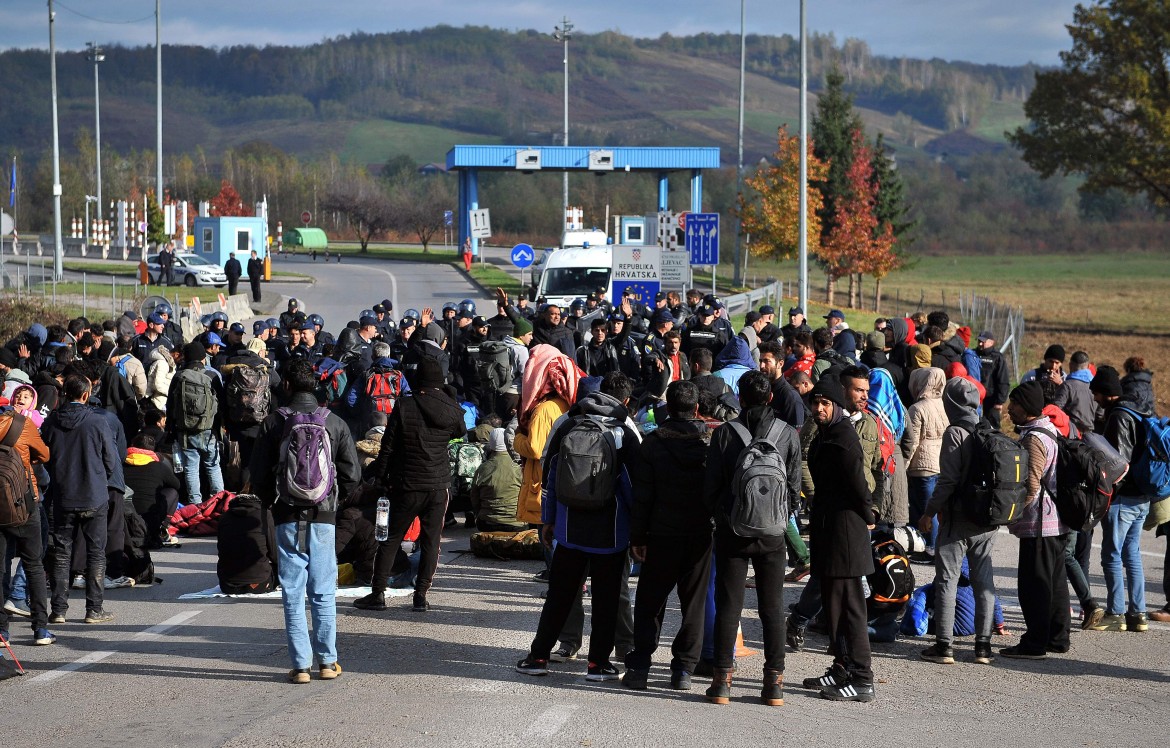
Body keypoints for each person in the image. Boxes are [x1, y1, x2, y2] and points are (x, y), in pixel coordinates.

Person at [515, 372, 639, 681]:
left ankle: (538, 657)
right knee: (607, 599)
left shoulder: (568, 424)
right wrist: (638, 531)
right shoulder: (623, 433)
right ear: (623, 402)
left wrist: (548, 519)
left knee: (560, 595)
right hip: (611, 534)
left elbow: (550, 476)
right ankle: (598, 664)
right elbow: (632, 488)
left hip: (568, 531)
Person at [249, 358, 360, 684]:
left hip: (287, 515)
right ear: (316, 387)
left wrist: (273, 502)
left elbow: (257, 476)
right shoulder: (335, 422)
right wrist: (333, 503)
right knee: (324, 591)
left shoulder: (273, 423)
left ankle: (300, 666)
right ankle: (328, 662)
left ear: (286, 387)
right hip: (324, 515)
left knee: (293, 592)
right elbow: (353, 475)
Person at [702, 370, 800, 706]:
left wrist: (723, 515)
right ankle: (774, 683)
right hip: (773, 533)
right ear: (771, 397)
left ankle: (722, 682)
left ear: (740, 399)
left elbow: (711, 486)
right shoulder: (787, 433)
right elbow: (795, 489)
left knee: (730, 606)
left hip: (733, 530)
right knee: (772, 609)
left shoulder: (726, 433)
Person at [623, 381, 714, 692]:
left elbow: (642, 497)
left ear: (668, 408)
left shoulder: (652, 444)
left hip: (661, 533)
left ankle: (639, 667)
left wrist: (638, 537)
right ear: (696, 408)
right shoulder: (710, 443)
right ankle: (683, 669)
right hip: (700, 534)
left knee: (650, 602)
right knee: (694, 603)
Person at [356, 357, 466, 613]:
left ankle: (378, 593)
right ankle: (421, 595)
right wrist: (449, 397)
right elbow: (459, 431)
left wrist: (380, 479)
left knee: (391, 539)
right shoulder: (449, 407)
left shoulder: (404, 406)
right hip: (438, 486)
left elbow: (389, 448)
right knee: (431, 542)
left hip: (407, 484)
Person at [802, 375, 876, 702]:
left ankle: (862, 678)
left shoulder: (844, 438)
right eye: (815, 402)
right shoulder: (825, 434)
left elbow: (859, 486)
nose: (818, 408)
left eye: (825, 403)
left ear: (836, 406)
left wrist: (869, 516)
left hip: (846, 535)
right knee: (834, 608)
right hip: (829, 531)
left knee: (850, 609)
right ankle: (842, 666)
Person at [917, 377, 999, 665]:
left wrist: (929, 512)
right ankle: (983, 647)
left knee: (947, 580)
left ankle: (944, 646)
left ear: (950, 403)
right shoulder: (987, 428)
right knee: (983, 581)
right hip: (987, 520)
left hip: (958, 519)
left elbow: (948, 480)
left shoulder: (955, 432)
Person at [42, 374, 121, 625]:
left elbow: (44, 457)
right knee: (96, 552)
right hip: (94, 494)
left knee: (61, 553)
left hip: (62, 494)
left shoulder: (52, 422)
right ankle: (94, 609)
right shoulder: (97, 422)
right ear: (86, 395)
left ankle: (58, 610)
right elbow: (111, 460)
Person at [1002, 381, 1070, 659]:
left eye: (1015, 404)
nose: (1009, 410)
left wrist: (1013, 514)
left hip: (1039, 524)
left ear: (1028, 406)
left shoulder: (1033, 438)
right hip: (1057, 522)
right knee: (1054, 583)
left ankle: (1034, 644)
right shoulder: (1050, 429)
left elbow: (1031, 483)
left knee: (1034, 586)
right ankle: (1057, 637)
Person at [1089, 365, 1152, 633]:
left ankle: (1116, 613)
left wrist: (1107, 492)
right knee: (1132, 554)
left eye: (1096, 394)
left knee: (1112, 555)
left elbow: (1117, 463)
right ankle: (1138, 614)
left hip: (1124, 498)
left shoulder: (1119, 417)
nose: (1094, 399)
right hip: (1143, 496)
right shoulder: (1140, 410)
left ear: (1106, 393)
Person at [0, 406, 53, 645]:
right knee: (33, 563)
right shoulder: (21, 424)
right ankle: (40, 628)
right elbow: (44, 455)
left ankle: (1, 631)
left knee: (1, 567)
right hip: (24, 499)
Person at [167, 342, 225, 505]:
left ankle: (194, 505)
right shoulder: (211, 375)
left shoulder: (179, 376)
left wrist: (170, 429)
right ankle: (219, 503)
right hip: (209, 429)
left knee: (191, 469)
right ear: (202, 358)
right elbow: (221, 403)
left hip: (185, 430)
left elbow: (170, 404)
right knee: (213, 467)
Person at [902, 367, 947, 555]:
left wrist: (904, 466)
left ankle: (930, 547)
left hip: (922, 465)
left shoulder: (917, 408)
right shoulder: (943, 404)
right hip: (940, 462)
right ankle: (935, 545)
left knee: (925, 509)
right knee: (934, 508)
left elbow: (912, 441)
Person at [469, 428, 527, 532]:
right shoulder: (520, 467)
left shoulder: (482, 468)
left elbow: (474, 498)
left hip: (488, 523)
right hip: (517, 524)